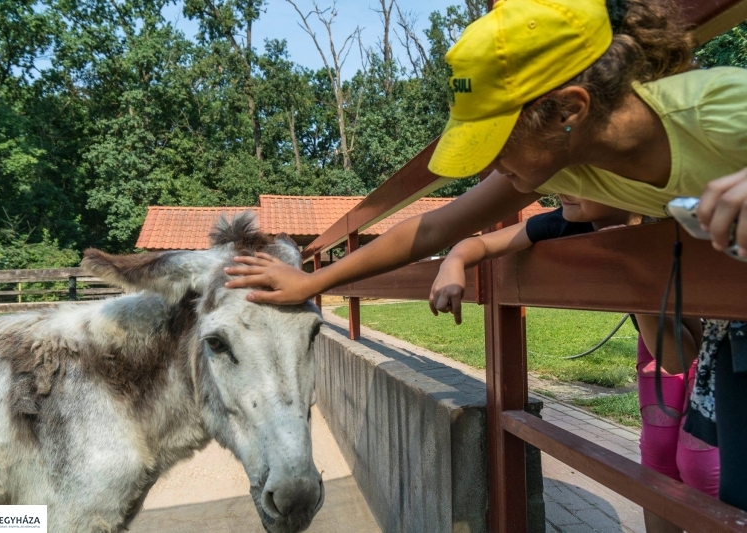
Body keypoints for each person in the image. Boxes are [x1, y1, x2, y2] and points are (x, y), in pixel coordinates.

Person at [224, 0, 747, 511]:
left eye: (495, 141)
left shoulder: (720, 109)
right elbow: (435, 227)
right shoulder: (567, 155)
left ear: (569, 109)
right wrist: (314, 282)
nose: (484, 166)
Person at [428, 196, 718, 533]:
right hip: (658, 340)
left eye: (579, 176)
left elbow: (684, 354)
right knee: (657, 454)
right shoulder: (574, 216)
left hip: (716, 345)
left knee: (701, 463)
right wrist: (454, 260)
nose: (562, 189)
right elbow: (481, 244)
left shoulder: (676, 213)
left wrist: (632, 271)